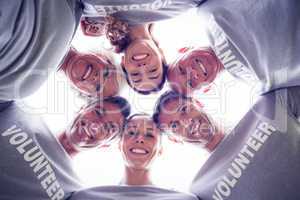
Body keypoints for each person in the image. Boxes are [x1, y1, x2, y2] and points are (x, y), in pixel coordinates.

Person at [153, 89, 300, 199]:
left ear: (197, 103)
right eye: (174, 126)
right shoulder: (200, 189)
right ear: (175, 139)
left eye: (184, 110)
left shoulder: (266, 106)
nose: (186, 122)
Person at [0, 96, 130, 199]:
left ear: (106, 145)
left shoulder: (73, 190)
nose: (96, 125)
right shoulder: (19, 111)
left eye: (109, 128)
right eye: (97, 112)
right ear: (83, 108)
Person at [67, 114, 198, 200]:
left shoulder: (184, 199)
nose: (140, 139)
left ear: (160, 150)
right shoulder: (85, 197)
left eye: (149, 135)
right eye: (131, 132)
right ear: (119, 144)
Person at [190, 0, 300, 95]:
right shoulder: (260, 88)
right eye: (191, 83)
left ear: (183, 50)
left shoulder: (204, 12)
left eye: (181, 69)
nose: (193, 73)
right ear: (207, 89)